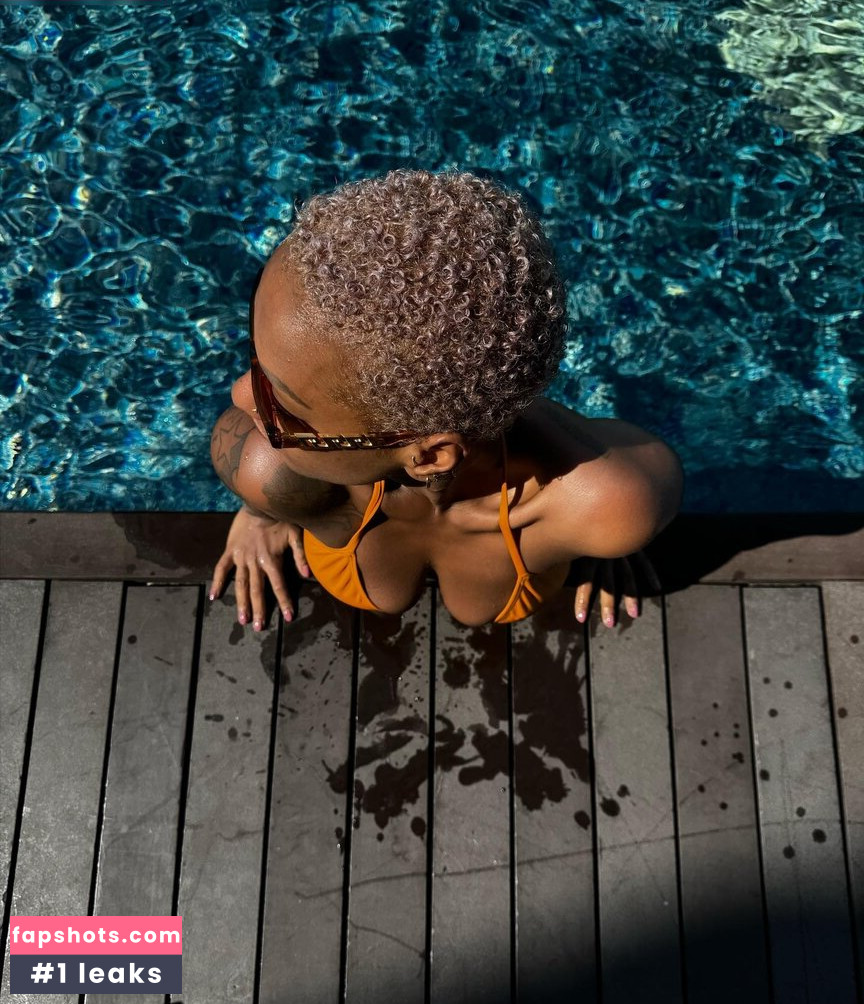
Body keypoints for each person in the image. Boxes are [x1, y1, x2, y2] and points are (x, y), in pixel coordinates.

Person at [208, 170, 683, 631]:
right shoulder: (265, 472)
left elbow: (637, 465)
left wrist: (604, 543)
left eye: (284, 406)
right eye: (256, 357)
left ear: (431, 456)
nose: (239, 394)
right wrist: (264, 514)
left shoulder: (602, 504)